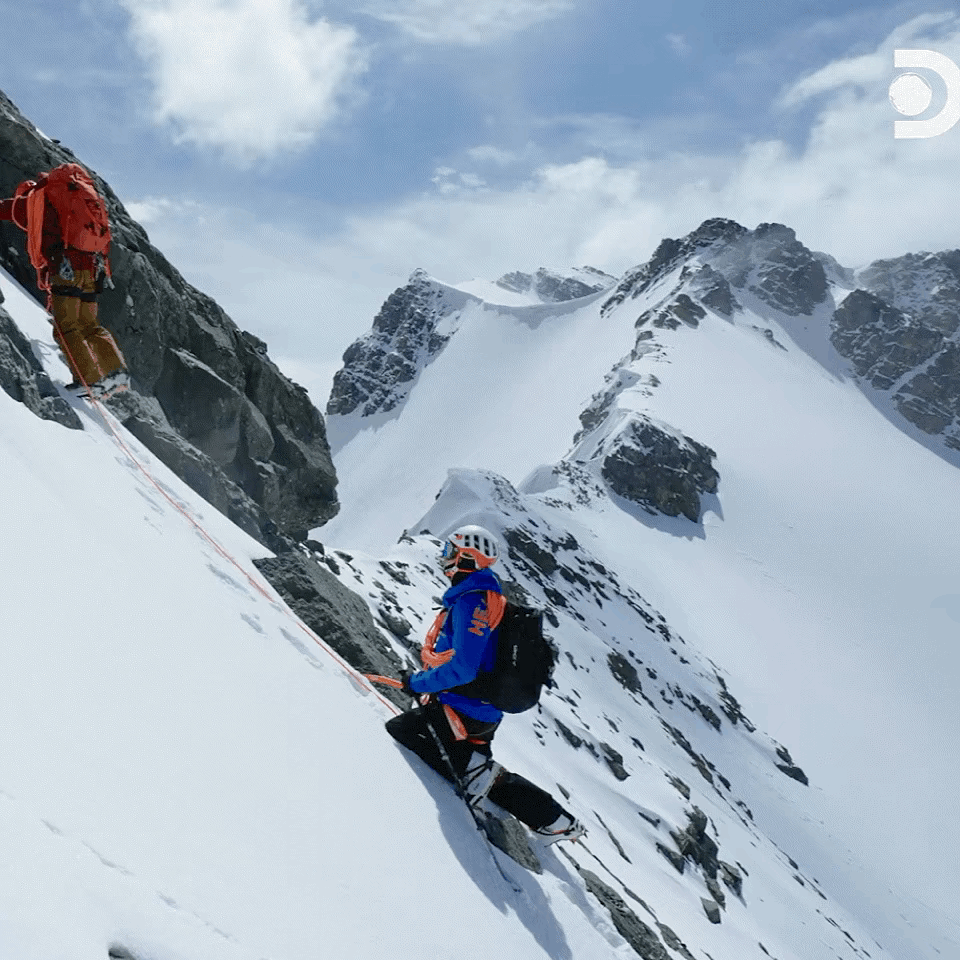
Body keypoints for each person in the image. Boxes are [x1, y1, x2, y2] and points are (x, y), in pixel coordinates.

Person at [386, 524, 585, 842]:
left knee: (404, 732)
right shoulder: (482, 597)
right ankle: (555, 820)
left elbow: (464, 668)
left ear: (467, 558)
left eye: (450, 552)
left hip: (464, 708)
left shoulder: (473, 601)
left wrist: (419, 683)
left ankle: (483, 780)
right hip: (479, 709)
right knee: (476, 765)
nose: (443, 559)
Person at [0, 163, 129, 399]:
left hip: (66, 267)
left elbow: (5, 209)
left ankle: (88, 381)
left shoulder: (36, 199)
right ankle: (116, 371)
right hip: (91, 268)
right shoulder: (69, 194)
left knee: (66, 326)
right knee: (88, 324)